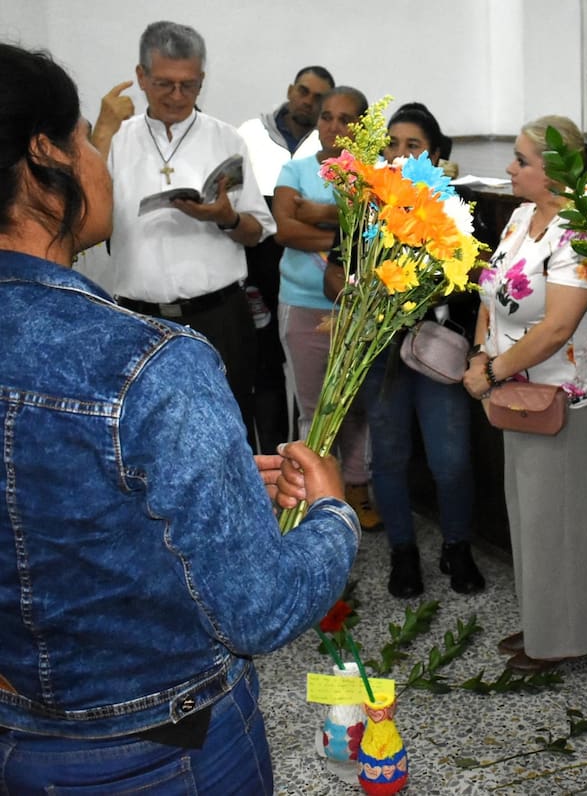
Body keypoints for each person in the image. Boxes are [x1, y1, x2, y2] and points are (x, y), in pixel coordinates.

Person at [0, 42, 360, 792]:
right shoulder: (151, 367)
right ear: (47, 156)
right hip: (158, 738)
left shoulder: (228, 141)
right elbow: (255, 610)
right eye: (79, 141)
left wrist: (210, 495)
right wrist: (332, 514)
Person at [462, 115, 587, 674]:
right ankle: (546, 625)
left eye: (522, 161)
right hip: (516, 393)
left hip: (561, 398)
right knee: (531, 518)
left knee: (565, 523)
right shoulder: (523, 216)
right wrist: (481, 354)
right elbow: (490, 289)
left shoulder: (582, 230)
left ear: (554, 174)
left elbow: (557, 328)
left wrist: (493, 371)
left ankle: (568, 639)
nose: (510, 168)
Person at [325, 102, 486, 597]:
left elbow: (477, 278)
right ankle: (403, 553)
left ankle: (457, 546)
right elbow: (334, 271)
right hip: (382, 350)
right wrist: (361, 290)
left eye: (412, 145)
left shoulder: (455, 210)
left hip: (437, 353)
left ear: (434, 154)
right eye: (391, 145)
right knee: (388, 458)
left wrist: (427, 286)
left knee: (451, 459)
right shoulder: (367, 206)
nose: (399, 154)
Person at [94, 20, 276, 444]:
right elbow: (81, 215)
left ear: (202, 80)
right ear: (140, 77)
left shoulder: (226, 139)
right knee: (148, 437)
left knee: (228, 431)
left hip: (219, 316)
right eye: (163, 84)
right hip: (138, 316)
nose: (177, 96)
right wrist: (101, 132)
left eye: (189, 85)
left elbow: (258, 231)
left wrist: (224, 216)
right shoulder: (115, 139)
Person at [274, 85, 379, 530]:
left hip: (355, 306)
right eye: (326, 117)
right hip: (302, 302)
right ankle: (311, 493)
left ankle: (356, 484)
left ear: (361, 128)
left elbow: (375, 226)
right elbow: (284, 230)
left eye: (345, 119)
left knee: (354, 403)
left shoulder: (372, 176)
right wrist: (344, 231)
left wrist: (317, 213)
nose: (333, 127)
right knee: (314, 406)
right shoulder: (295, 169)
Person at [238, 66, 335, 450]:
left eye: (318, 98)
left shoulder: (330, 146)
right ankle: (275, 457)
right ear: (290, 90)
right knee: (267, 372)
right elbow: (276, 223)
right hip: (259, 271)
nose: (308, 102)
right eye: (303, 91)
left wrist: (317, 218)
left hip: (319, 280)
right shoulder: (249, 134)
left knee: (317, 388)